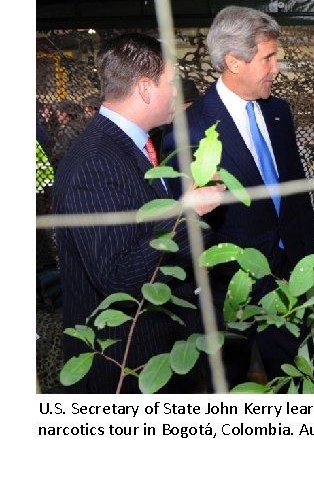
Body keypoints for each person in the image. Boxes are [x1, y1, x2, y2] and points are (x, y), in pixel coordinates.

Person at [53, 33, 226, 393]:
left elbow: (140, 231)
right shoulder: (97, 162)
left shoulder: (133, 145)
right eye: (172, 82)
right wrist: (188, 215)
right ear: (146, 89)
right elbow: (117, 277)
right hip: (124, 367)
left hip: (152, 352)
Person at [163, 6, 314, 388]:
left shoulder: (279, 113)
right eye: (268, 58)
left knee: (302, 386)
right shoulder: (189, 130)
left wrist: (313, 258)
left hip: (292, 283)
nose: (276, 69)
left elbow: (294, 196)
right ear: (233, 62)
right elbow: (184, 224)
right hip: (228, 292)